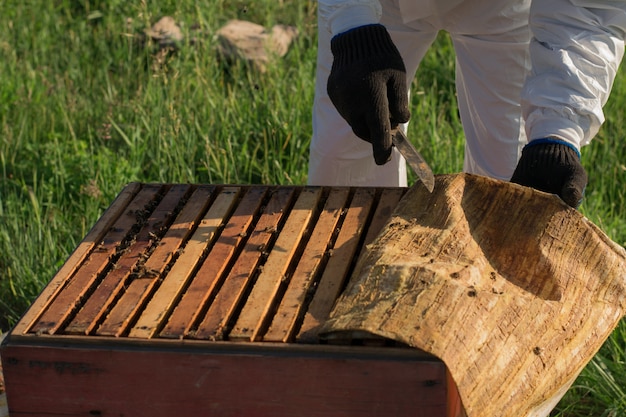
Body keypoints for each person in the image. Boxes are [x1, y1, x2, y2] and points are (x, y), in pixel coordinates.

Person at [308, 0, 626, 208]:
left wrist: (557, 130)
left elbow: (591, 9)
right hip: (377, 6)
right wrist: (351, 24)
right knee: (347, 155)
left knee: (508, 188)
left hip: (505, 8)